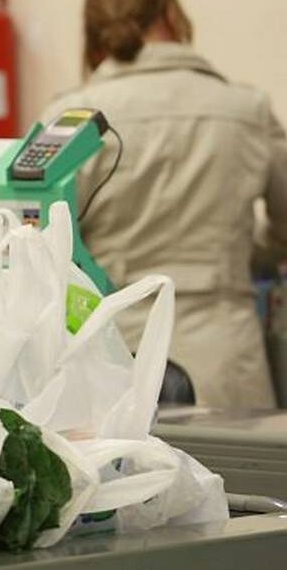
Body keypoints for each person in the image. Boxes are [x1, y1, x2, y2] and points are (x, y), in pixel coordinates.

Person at [41, 0, 287, 408]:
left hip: (108, 357)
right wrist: (243, 254)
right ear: (172, 16)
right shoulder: (247, 110)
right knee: (237, 469)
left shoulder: (70, 118)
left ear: (95, 32)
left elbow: (43, 244)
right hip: (224, 360)